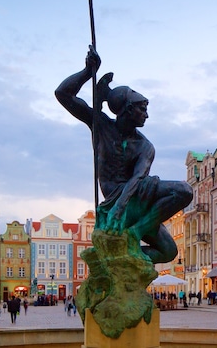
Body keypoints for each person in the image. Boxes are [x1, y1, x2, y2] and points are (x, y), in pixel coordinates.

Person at [55, 47, 194, 264]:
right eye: (142, 109)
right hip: (116, 197)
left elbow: (138, 178)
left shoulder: (145, 146)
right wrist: (87, 71)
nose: (146, 115)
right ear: (127, 109)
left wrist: (122, 210)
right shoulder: (100, 124)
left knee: (169, 251)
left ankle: (132, 237)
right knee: (181, 192)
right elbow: (62, 94)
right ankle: (121, 255)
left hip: (135, 196)